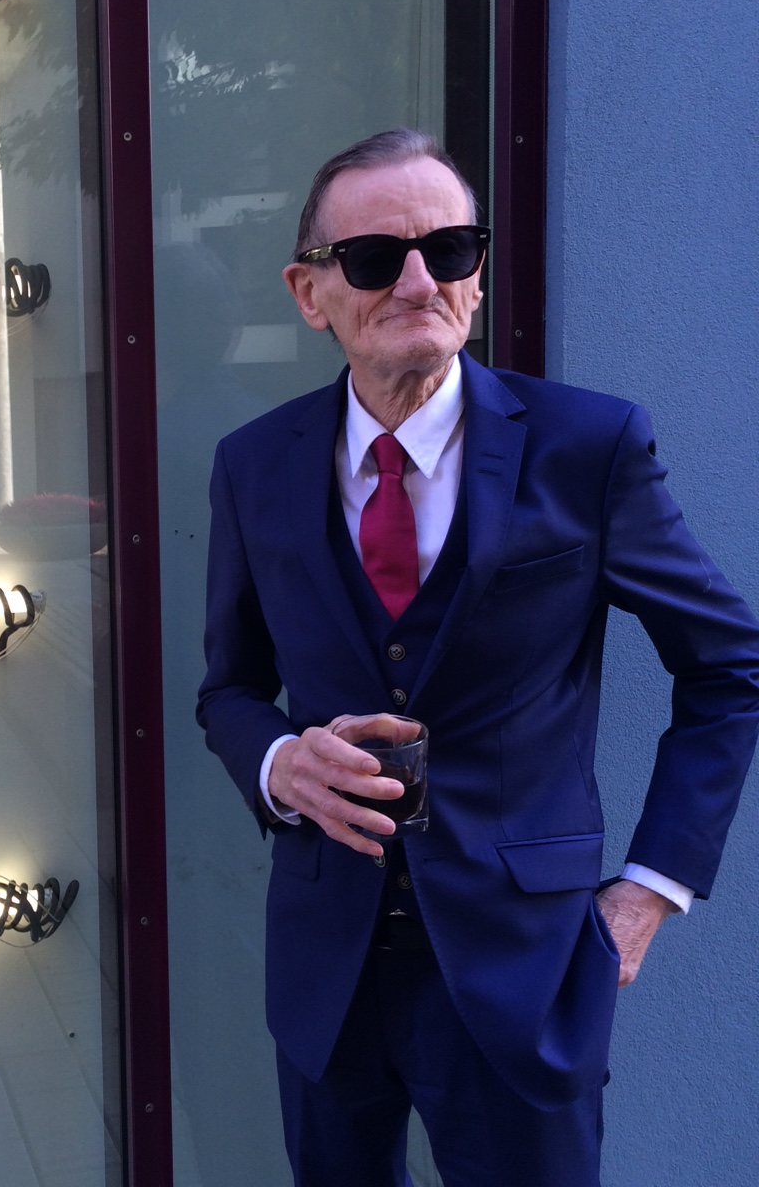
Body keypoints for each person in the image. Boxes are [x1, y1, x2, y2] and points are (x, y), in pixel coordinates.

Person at [195, 128, 759, 1186]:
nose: (418, 281)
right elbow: (229, 687)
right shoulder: (254, 464)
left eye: (448, 249)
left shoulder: (586, 447)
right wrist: (278, 764)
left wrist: (649, 890)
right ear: (309, 292)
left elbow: (730, 667)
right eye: (375, 257)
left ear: (475, 271)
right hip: (326, 968)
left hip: (527, 970)